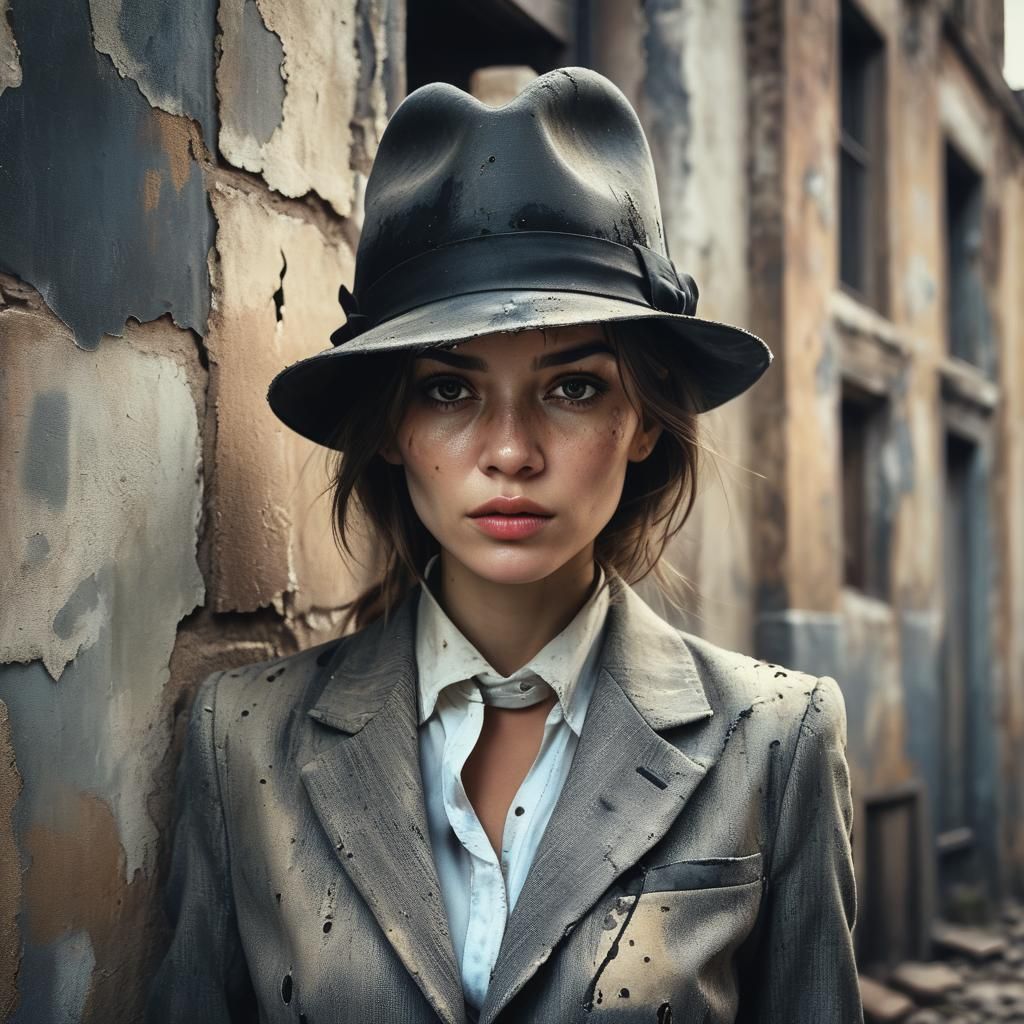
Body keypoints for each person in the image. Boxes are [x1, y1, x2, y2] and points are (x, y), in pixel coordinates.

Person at [146, 67, 863, 1024]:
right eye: (449, 389)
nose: (513, 452)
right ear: (395, 425)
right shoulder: (242, 741)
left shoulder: (774, 739)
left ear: (644, 419)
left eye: (574, 387)